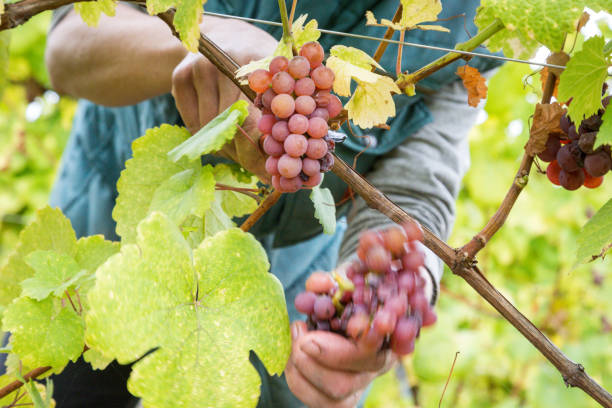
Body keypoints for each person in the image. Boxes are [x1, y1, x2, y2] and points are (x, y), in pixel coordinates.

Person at [38, 0, 502, 406]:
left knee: (303, 388)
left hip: (293, 261)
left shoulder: (481, 17)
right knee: (63, 386)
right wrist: (199, 41)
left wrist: (390, 283)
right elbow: (68, 46)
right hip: (118, 215)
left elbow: (420, 174)